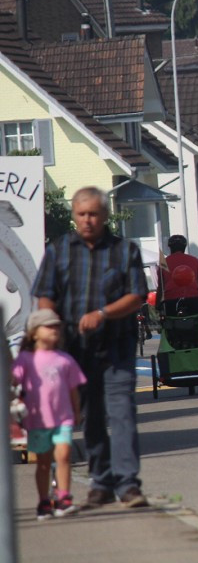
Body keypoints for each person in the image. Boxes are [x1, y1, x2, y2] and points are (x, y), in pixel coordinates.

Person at [32, 186, 149, 508]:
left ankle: (128, 485)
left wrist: (103, 314)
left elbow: (137, 295)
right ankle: (101, 481)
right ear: (74, 216)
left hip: (116, 347)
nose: (87, 220)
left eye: (93, 214)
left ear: (105, 216)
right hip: (75, 351)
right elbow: (45, 293)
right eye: (81, 214)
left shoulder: (125, 251)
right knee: (92, 416)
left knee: (122, 412)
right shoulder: (59, 250)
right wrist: (48, 325)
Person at [13, 309, 86, 519]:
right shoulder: (26, 359)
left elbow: (73, 389)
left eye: (56, 326)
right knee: (43, 462)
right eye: (49, 326)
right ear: (34, 333)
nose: (54, 330)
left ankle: (64, 498)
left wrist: (77, 411)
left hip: (63, 418)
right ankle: (44, 501)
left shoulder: (64, 359)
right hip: (37, 420)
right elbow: (13, 381)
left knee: (63, 456)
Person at [162, 234, 198, 316]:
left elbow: (161, 286)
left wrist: (157, 305)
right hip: (193, 298)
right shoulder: (194, 260)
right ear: (184, 247)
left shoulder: (164, 262)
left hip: (171, 300)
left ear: (170, 247)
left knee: (170, 325)